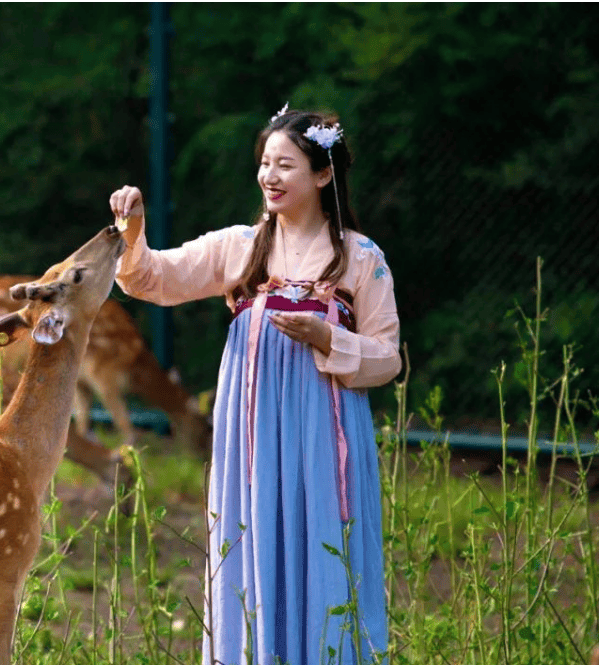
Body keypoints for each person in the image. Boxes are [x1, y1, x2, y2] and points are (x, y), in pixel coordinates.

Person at [109, 106, 400, 664]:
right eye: (265, 162)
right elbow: (152, 278)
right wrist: (135, 231)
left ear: (322, 175)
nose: (269, 175)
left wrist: (326, 337)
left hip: (323, 432)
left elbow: (387, 357)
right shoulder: (240, 246)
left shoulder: (361, 258)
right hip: (252, 437)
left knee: (320, 542)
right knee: (254, 537)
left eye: (285, 164)